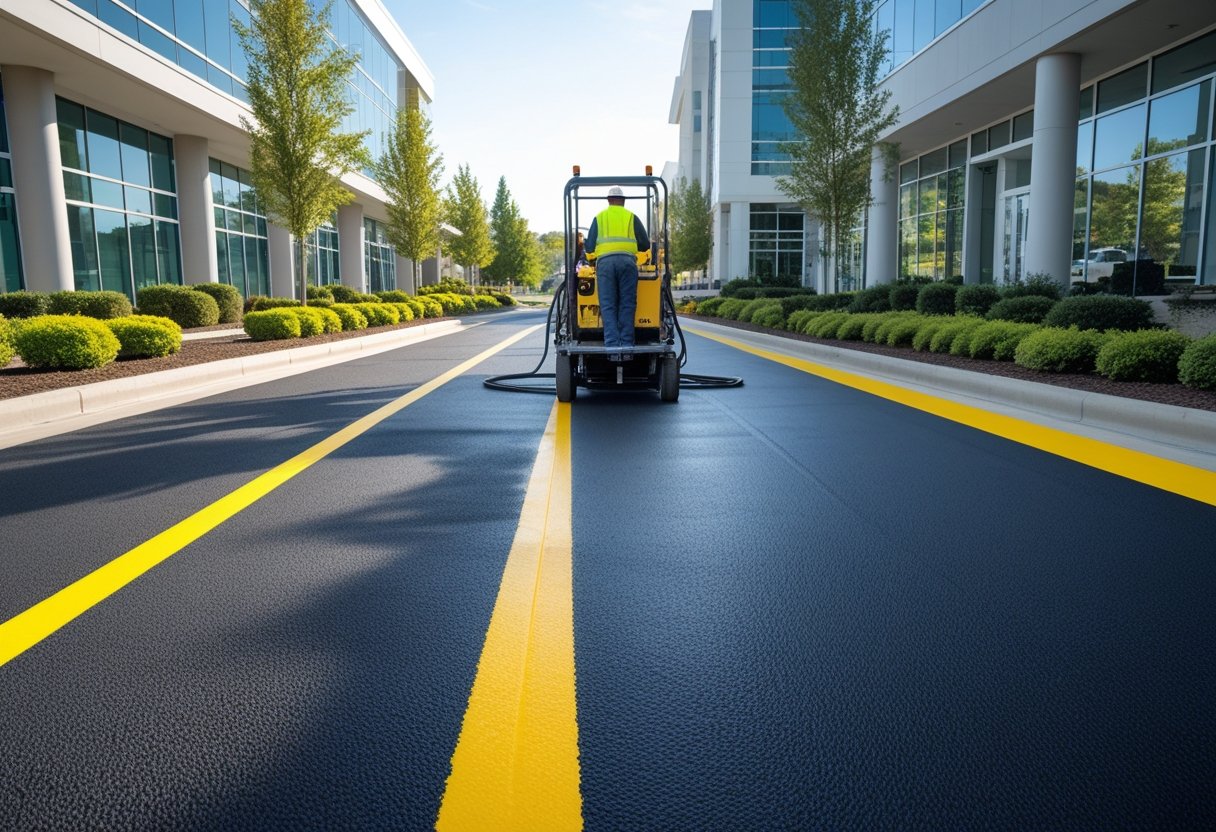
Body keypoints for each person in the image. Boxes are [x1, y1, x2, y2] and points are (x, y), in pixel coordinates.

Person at [585, 186, 650, 355]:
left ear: (609, 200)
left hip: (605, 263)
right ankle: (627, 346)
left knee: (608, 305)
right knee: (627, 304)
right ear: (623, 201)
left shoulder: (600, 218)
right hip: (628, 262)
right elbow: (645, 244)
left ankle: (613, 347)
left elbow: (589, 246)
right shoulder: (631, 217)